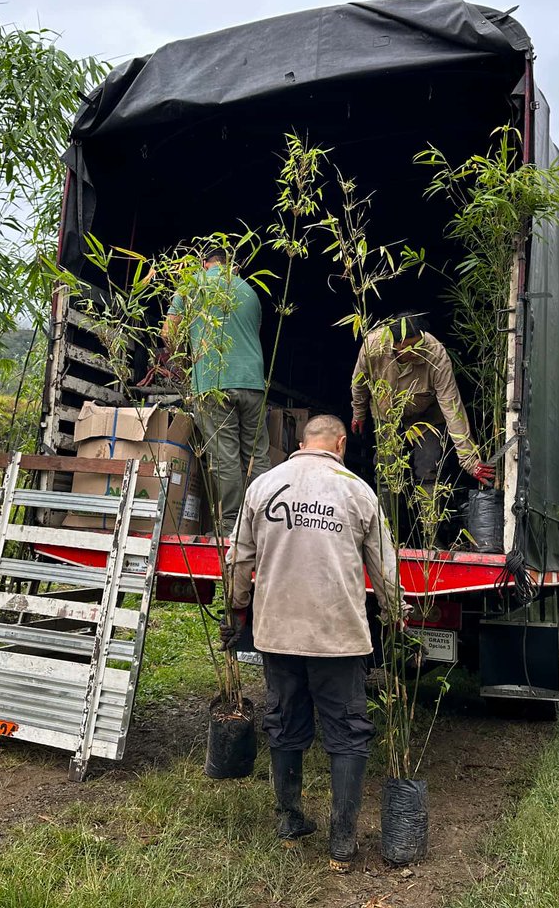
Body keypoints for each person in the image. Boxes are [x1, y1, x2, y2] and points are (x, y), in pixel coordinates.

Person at [224, 414, 405, 871]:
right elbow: (385, 569)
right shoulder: (357, 490)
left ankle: (290, 820)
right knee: (347, 733)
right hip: (338, 636)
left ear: (302, 444)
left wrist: (237, 608)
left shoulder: (262, 486)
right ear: (341, 443)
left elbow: (239, 558)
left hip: (277, 633)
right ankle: (342, 840)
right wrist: (396, 616)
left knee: (284, 722)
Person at [163, 247, 270, 536]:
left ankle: (230, 529)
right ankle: (261, 525)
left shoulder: (192, 284)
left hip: (214, 382)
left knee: (225, 458)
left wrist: (185, 363)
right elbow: (252, 335)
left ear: (203, 263)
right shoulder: (250, 290)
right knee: (256, 457)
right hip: (253, 382)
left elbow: (168, 332)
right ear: (232, 267)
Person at [350, 312, 496, 494]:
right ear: (394, 343)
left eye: (419, 344)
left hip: (428, 417)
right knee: (386, 470)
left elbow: (452, 406)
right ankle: (386, 521)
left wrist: (469, 461)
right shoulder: (372, 346)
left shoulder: (436, 354)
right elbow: (359, 383)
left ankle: (428, 522)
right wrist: (359, 412)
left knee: (428, 468)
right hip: (387, 413)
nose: (416, 351)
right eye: (408, 346)